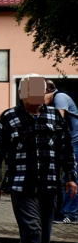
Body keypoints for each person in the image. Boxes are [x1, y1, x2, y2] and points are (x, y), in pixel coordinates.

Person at [0, 74, 77, 243]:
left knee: (44, 239)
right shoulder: (8, 118)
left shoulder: (54, 116)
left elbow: (66, 149)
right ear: (23, 93)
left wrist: (70, 178)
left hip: (49, 188)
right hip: (22, 188)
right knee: (33, 232)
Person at [46, 80, 78, 223]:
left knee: (71, 177)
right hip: (67, 143)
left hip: (75, 142)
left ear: (47, 90)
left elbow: (58, 122)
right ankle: (63, 212)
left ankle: (71, 214)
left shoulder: (59, 98)